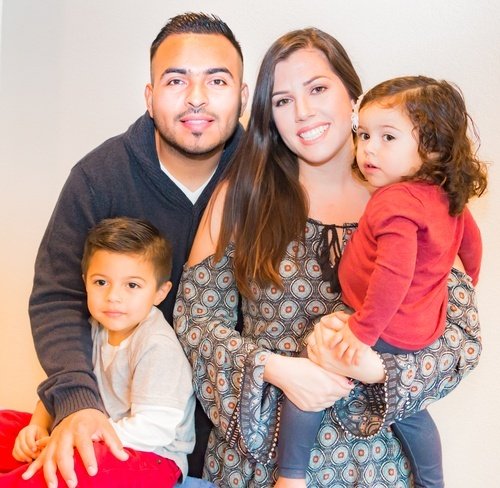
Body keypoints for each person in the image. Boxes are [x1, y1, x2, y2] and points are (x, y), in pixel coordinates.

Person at [173, 28, 482, 487]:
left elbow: (461, 338)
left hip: (376, 470)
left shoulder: (415, 201)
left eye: (317, 88)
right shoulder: (241, 199)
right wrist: (277, 371)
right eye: (281, 100)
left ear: (354, 97)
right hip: (259, 469)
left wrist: (377, 369)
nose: (302, 112)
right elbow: (195, 324)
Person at [27, 11, 248, 488]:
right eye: (175, 80)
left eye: (217, 80)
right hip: (120, 430)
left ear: (243, 96)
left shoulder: (271, 182)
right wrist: (77, 407)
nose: (196, 97)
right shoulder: (99, 177)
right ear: (150, 97)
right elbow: (56, 296)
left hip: (236, 446)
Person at [276, 76, 487, 488]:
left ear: (433, 149)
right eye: (364, 134)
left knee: (313, 373)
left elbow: (394, 273)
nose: (368, 148)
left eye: (387, 137)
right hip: (419, 327)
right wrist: (465, 282)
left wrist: (362, 330)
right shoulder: (446, 195)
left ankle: (291, 477)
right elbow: (472, 246)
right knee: (410, 412)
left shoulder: (395, 202)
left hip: (382, 325)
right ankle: (432, 482)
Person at [0, 217, 195, 487]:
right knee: (6, 425)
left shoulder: (157, 346)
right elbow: (62, 387)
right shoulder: (90, 329)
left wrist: (79, 439)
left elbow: (155, 429)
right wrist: (37, 426)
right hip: (94, 436)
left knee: (60, 473)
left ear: (160, 292)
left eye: (132, 285)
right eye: (101, 282)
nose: (113, 296)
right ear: (85, 282)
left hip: (151, 457)